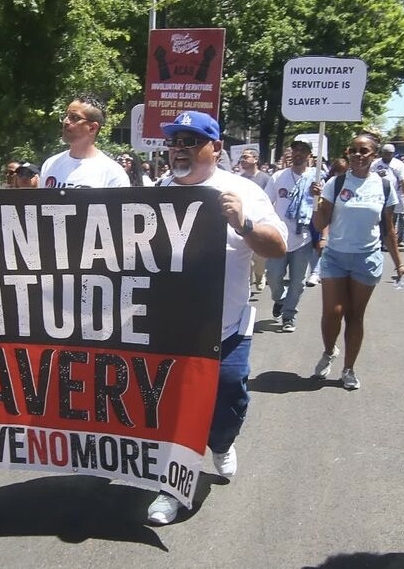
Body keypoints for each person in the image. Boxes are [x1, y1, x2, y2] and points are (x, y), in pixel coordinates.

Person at [147, 111, 287, 525]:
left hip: (227, 328)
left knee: (228, 401)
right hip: (170, 331)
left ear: (216, 149)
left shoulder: (240, 190)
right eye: (174, 141)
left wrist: (242, 224)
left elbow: (277, 247)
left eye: (191, 140)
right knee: (173, 410)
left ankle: (222, 443)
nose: (179, 149)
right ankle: (172, 489)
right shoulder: (155, 192)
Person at [310, 134, 404, 391]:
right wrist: (317, 202)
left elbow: (389, 231)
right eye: (353, 150)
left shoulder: (384, 186)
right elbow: (321, 224)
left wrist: (399, 264)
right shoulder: (336, 182)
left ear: (373, 155)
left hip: (367, 258)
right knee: (333, 312)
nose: (358, 155)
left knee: (355, 315)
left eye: (364, 151)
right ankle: (329, 351)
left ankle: (348, 368)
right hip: (335, 256)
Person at [263, 139, 318, 332]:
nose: (298, 154)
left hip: (303, 240)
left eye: (303, 151)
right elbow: (266, 202)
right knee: (273, 278)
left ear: (309, 155)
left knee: (298, 282)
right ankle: (280, 298)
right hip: (279, 238)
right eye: (295, 150)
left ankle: (289, 316)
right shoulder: (278, 177)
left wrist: (318, 195)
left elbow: (324, 208)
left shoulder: (316, 178)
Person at [40, 94, 130, 188]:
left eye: (74, 117)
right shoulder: (50, 164)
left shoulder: (113, 173)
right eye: (66, 116)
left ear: (92, 128)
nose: (66, 122)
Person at [238, 148, 271, 291]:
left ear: (255, 159)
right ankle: (247, 286)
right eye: (242, 157)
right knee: (246, 256)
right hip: (243, 221)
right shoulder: (239, 179)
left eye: (246, 157)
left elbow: (270, 200)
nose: (243, 160)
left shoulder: (265, 179)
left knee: (259, 257)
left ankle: (260, 274)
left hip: (259, 222)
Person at [370, 143, 404, 246]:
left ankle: (390, 241)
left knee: (391, 219)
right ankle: (381, 240)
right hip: (377, 193)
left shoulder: (399, 165)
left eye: (389, 154)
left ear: (393, 154)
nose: (387, 156)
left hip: (394, 194)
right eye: (385, 153)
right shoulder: (375, 163)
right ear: (382, 153)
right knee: (379, 217)